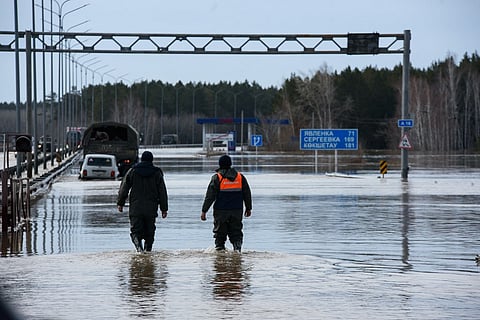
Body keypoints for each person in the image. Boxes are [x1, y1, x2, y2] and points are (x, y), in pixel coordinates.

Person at [117, 151, 168, 252]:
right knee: (150, 233)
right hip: (151, 209)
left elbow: (124, 188)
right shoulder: (157, 173)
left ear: (142, 159)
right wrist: (164, 208)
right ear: (151, 160)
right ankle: (147, 251)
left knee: (135, 231)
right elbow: (162, 191)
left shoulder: (133, 171)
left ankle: (139, 250)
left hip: (136, 208)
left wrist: (120, 203)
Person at [201, 154, 252, 252]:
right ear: (230, 164)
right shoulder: (240, 177)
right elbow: (247, 193)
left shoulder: (217, 178)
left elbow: (210, 196)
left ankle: (220, 254)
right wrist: (248, 208)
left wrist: (204, 211)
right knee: (236, 232)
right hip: (237, 211)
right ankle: (237, 250)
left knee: (220, 234)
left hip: (221, 211)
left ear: (220, 164)